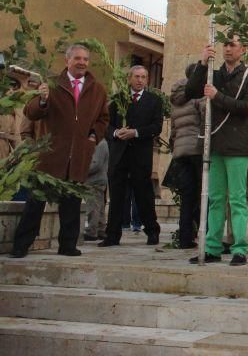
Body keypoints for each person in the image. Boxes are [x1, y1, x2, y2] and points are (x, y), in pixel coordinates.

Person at [11, 43, 110, 258]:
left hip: (78, 157)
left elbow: (103, 119)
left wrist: (93, 137)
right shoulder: (52, 84)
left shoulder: (98, 89)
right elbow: (31, 112)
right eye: (77, 58)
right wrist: (43, 99)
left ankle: (67, 245)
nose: (82, 62)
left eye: (85, 59)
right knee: (35, 203)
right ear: (67, 61)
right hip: (50, 156)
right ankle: (21, 245)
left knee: (71, 205)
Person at [185, 34, 248, 266]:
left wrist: (218, 97)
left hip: (237, 145)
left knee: (237, 199)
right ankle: (212, 247)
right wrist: (202, 63)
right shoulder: (213, 73)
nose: (227, 49)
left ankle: (239, 248)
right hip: (215, 143)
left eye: (233, 45)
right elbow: (191, 91)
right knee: (215, 199)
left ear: (242, 49)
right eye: (225, 44)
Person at [99, 65, 163, 247]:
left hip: (140, 155)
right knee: (117, 196)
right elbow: (106, 125)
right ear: (129, 78)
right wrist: (115, 133)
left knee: (144, 195)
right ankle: (112, 235)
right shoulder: (118, 100)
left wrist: (136, 132)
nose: (140, 80)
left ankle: (152, 230)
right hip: (119, 154)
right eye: (136, 76)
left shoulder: (154, 101)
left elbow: (156, 126)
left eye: (143, 77)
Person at [169, 63, 204, 249]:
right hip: (197, 150)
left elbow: (173, 129)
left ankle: (184, 238)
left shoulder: (176, 98)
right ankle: (204, 235)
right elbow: (205, 121)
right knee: (202, 195)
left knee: (187, 197)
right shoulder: (198, 96)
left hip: (180, 152)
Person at [83, 139, 109, 241]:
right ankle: (100, 229)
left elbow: (95, 164)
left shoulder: (100, 143)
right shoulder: (101, 142)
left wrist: (81, 170)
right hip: (98, 179)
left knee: (93, 206)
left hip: (94, 180)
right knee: (99, 205)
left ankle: (91, 231)